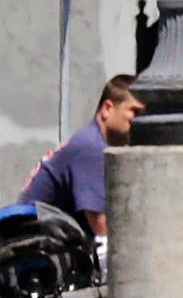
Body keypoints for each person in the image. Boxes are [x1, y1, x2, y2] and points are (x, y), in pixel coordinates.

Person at [16, 76, 138, 239]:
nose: (141, 120)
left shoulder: (94, 140)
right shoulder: (91, 147)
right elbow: (100, 225)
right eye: (135, 112)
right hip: (36, 245)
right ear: (108, 108)